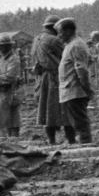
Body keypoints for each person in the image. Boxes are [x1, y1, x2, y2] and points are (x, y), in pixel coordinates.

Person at [56, 18, 93, 144]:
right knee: (75, 122)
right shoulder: (70, 45)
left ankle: (86, 146)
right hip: (69, 91)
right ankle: (83, 144)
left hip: (75, 91)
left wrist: (86, 89)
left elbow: (81, 70)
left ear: (68, 31)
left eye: (60, 32)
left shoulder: (77, 45)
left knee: (80, 123)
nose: (59, 35)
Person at [31, 14, 64, 143]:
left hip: (42, 77)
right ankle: (64, 139)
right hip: (54, 77)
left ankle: (51, 139)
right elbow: (64, 56)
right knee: (56, 109)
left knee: (45, 109)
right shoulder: (53, 40)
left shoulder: (37, 39)